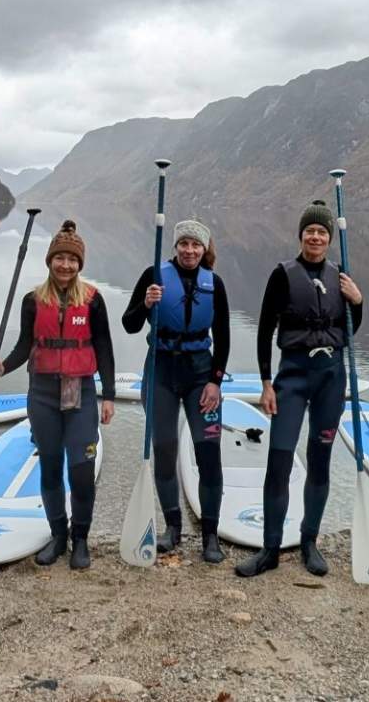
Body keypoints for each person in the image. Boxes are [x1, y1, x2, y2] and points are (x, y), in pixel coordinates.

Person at [235, 201, 364, 578]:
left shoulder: (342, 276)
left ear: (329, 239)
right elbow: (263, 330)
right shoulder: (283, 274)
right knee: (279, 461)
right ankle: (270, 548)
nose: (316, 237)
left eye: (322, 232)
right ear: (301, 235)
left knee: (320, 461)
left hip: (330, 378)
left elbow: (351, 328)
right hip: (292, 377)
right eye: (310, 231)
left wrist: (359, 299)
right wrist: (265, 382)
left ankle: (309, 542)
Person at [0, 220, 115, 570]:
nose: (66, 265)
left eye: (72, 259)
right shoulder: (31, 301)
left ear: (80, 264)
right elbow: (25, 345)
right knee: (51, 468)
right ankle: (58, 535)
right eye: (60, 258)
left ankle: (81, 539)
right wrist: (3, 367)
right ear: (50, 261)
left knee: (82, 471)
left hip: (81, 392)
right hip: (42, 394)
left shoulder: (93, 300)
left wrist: (110, 395)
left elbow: (104, 347)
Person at [120, 218, 230, 563]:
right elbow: (129, 324)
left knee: (208, 455)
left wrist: (215, 379)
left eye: (196, 245)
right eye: (184, 243)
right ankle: (173, 527)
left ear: (204, 249)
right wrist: (147, 304)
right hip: (161, 371)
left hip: (200, 375)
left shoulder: (216, 284)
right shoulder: (153, 277)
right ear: (175, 246)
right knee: (164, 451)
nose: (189, 250)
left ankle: (210, 535)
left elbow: (224, 336)